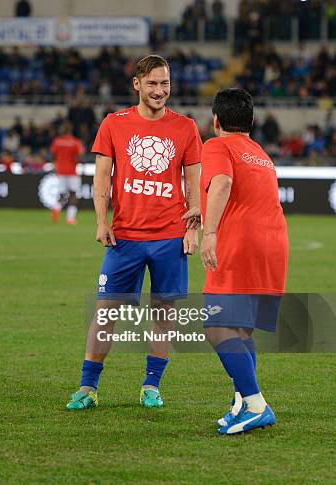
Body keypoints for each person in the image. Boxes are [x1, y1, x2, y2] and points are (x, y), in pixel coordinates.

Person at [65, 55, 202, 410]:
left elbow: (194, 184)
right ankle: (87, 387)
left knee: (164, 313)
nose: (160, 91)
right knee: (106, 313)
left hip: (170, 236)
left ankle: (151, 385)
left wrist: (193, 228)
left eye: (165, 83)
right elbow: (101, 179)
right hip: (124, 236)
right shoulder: (114, 123)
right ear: (137, 84)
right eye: (153, 83)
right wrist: (100, 221)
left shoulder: (185, 127)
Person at [200, 88, 288, 435]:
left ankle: (255, 403)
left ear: (216, 120)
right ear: (250, 122)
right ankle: (241, 402)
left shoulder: (216, 145)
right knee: (240, 328)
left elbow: (221, 184)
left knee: (216, 326)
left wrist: (209, 234)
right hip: (273, 244)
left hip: (242, 243)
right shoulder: (260, 153)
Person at [49, 122, 84, 225]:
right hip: (72, 171)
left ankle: (56, 208)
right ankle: (70, 218)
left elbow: (53, 154)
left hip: (60, 171)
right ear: (71, 131)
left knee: (62, 195)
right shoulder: (75, 142)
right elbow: (80, 156)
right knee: (73, 194)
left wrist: (57, 163)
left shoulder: (57, 142)